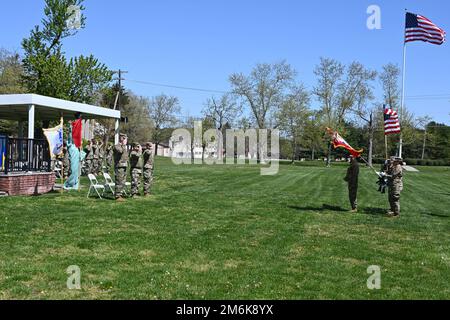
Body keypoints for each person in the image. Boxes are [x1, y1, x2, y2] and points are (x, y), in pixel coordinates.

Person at [114, 134, 129, 202]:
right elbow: (120, 151)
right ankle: (117, 195)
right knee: (119, 180)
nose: (126, 140)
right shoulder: (117, 146)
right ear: (121, 139)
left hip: (124, 165)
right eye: (124, 138)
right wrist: (123, 144)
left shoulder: (124, 147)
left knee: (123, 181)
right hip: (119, 166)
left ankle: (120, 194)